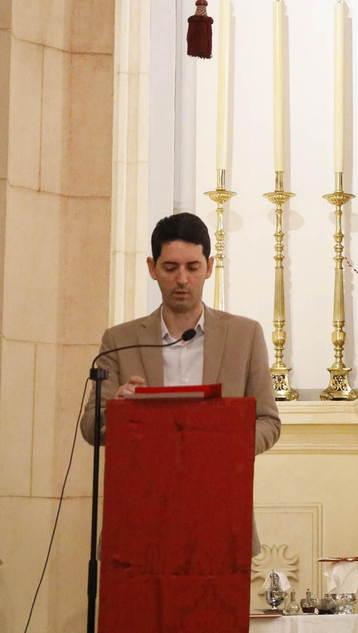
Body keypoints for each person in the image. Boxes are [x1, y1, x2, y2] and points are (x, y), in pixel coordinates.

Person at [82, 212, 282, 551]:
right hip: (140, 516)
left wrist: (227, 443)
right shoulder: (121, 339)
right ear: (152, 268)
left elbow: (269, 421)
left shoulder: (244, 335)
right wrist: (119, 410)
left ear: (209, 266)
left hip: (219, 510)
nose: (182, 280)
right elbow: (90, 426)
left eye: (192, 267)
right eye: (170, 267)